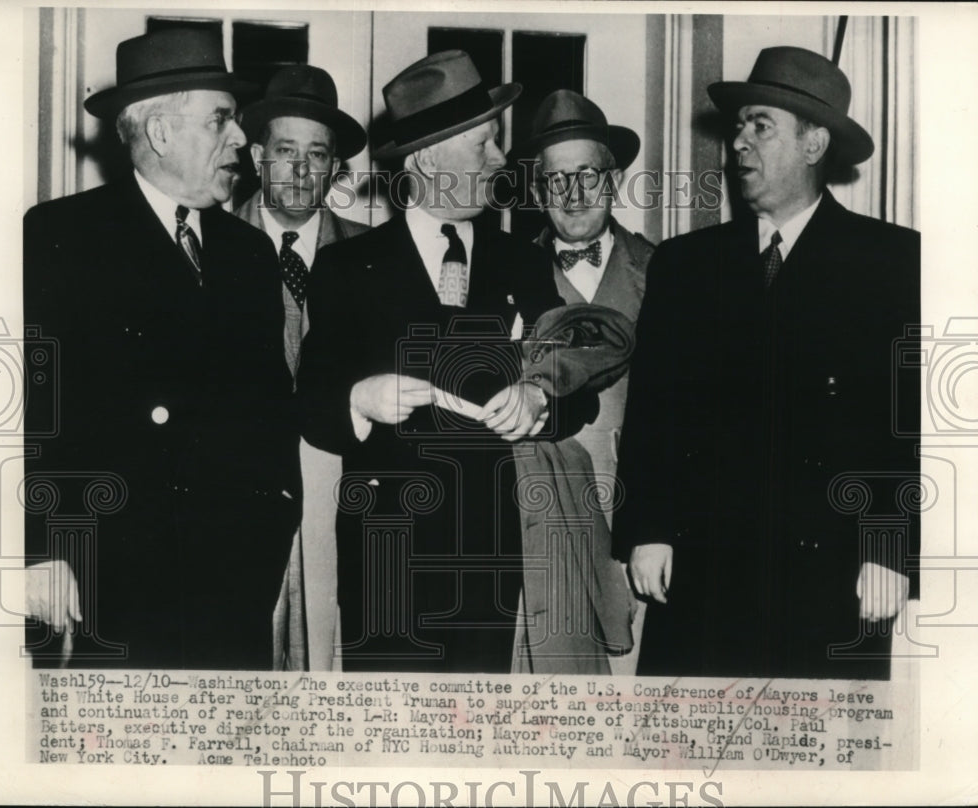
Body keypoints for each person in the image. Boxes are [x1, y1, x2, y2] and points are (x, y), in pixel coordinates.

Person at [613, 46, 920, 680]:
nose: (738, 145)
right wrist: (649, 528)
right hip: (702, 569)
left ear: (814, 146)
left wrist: (889, 547)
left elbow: (906, 422)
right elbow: (655, 411)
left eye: (761, 126)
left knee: (817, 760)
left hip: (833, 569)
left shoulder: (891, 261)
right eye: (737, 127)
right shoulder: (686, 264)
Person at [296, 50, 595, 673]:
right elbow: (312, 399)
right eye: (485, 143)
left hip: (491, 550)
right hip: (386, 549)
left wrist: (541, 396)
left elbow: (579, 385)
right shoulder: (350, 266)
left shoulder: (522, 262)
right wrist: (358, 399)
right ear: (427, 159)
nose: (499, 159)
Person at [23, 28, 300, 669]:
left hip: (233, 583)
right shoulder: (61, 236)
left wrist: (272, 523)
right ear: (161, 133)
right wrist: (41, 548)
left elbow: (267, 411)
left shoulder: (249, 252)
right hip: (111, 581)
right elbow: (32, 412)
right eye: (222, 120)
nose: (240, 140)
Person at [510, 89, 655, 674]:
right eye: (554, 180)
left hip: (635, 510)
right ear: (539, 190)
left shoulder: (664, 270)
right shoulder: (507, 269)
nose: (571, 194)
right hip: (541, 514)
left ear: (613, 180)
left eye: (587, 175)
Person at [235, 65, 369, 671]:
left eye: (317, 154)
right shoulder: (209, 244)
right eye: (285, 150)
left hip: (337, 482)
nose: (299, 169)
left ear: (335, 167)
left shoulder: (373, 255)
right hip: (238, 488)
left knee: (329, 651)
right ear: (258, 155)